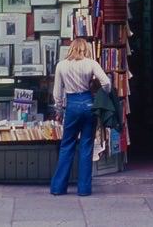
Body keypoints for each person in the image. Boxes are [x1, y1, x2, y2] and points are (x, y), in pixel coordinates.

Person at [50, 37, 111, 197]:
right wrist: (102, 96)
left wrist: (59, 110)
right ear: (85, 49)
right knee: (86, 146)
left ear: (71, 48)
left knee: (67, 145)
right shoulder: (91, 63)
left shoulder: (61, 65)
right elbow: (106, 83)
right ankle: (84, 189)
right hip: (89, 103)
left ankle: (58, 188)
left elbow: (57, 93)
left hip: (72, 105)